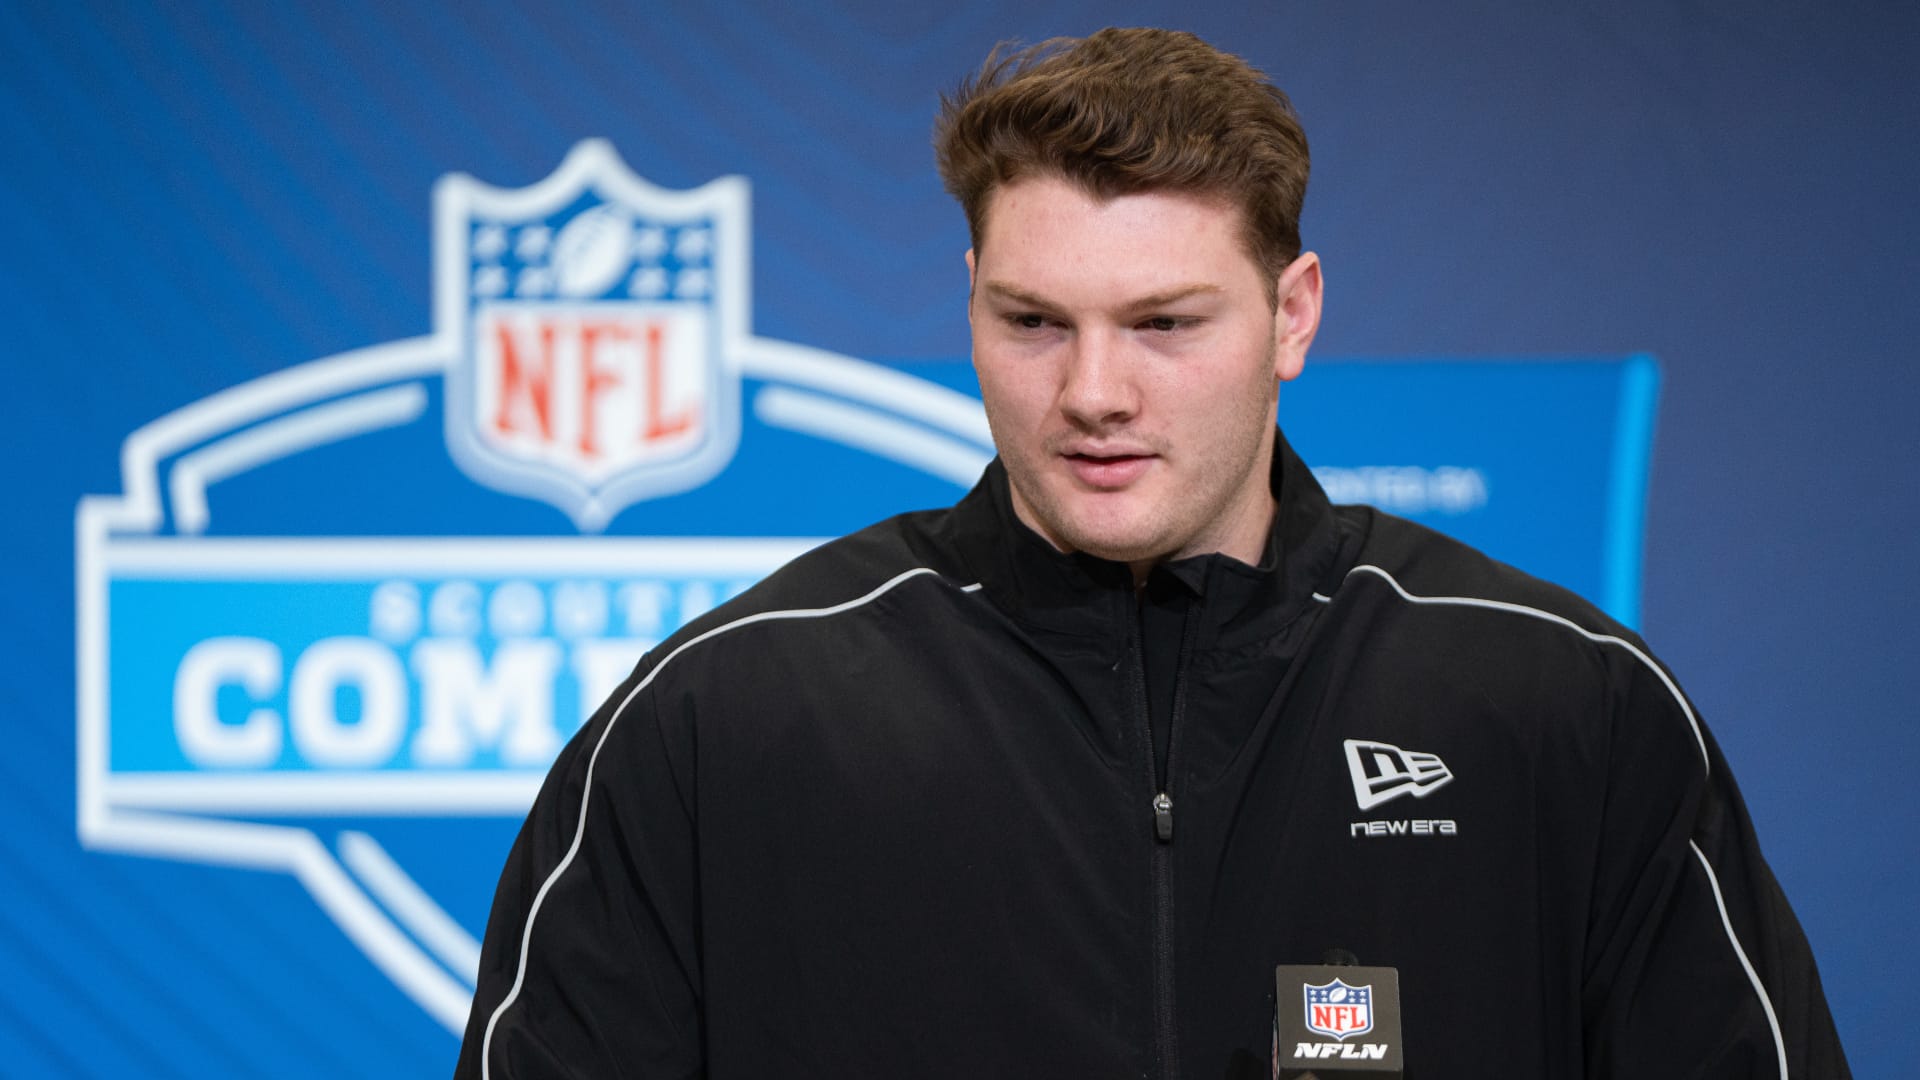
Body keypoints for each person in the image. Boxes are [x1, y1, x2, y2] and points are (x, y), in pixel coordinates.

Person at [456, 27, 1848, 1078]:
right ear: (970, 305)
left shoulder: (1560, 704)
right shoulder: (722, 719)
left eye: (1167, 324)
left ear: (1293, 315)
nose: (1095, 393)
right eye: (1035, 322)